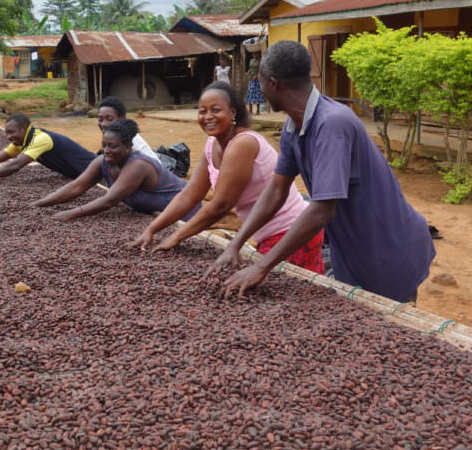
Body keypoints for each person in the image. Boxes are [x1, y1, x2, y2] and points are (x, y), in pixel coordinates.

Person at [208, 40, 435, 303]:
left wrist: (261, 267)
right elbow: (276, 190)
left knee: (392, 323)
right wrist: (237, 243)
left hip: (388, 249)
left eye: (258, 82)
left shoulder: (332, 125)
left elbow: (323, 208)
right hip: (352, 250)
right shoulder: (294, 127)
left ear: (273, 83)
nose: (258, 89)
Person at [130, 82, 324, 273]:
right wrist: (152, 230)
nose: (208, 117)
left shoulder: (243, 143)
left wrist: (177, 236)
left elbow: (220, 205)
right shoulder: (212, 144)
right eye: (202, 111)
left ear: (233, 113)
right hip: (264, 234)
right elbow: (190, 194)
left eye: (216, 110)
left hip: (289, 232)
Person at [34, 119, 198, 222]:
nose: (106, 150)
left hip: (185, 211)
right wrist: (39, 204)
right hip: (155, 213)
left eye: (113, 146)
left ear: (128, 146)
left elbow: (109, 200)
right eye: (104, 145)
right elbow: (77, 186)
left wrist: (69, 214)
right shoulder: (103, 161)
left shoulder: (138, 165)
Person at [0, 112, 95, 185]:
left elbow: (15, 165)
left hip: (97, 171)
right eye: (7, 133)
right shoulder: (23, 141)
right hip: (80, 174)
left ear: (24, 129)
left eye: (11, 132)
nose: (8, 137)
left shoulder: (41, 138)